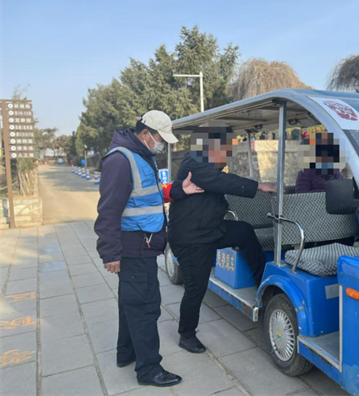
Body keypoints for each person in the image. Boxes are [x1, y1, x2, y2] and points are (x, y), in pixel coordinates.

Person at [94, 110, 203, 387]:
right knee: (145, 307)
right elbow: (108, 210)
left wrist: (179, 191)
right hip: (133, 248)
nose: (163, 144)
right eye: (160, 138)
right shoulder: (121, 160)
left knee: (130, 303)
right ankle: (149, 370)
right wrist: (110, 253)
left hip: (142, 246)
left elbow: (148, 196)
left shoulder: (142, 156)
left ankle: (126, 353)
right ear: (145, 134)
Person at [168, 127, 276, 354]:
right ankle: (186, 335)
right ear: (211, 148)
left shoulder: (206, 165)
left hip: (210, 230)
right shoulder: (194, 165)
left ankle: (263, 285)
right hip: (191, 239)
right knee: (196, 287)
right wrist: (259, 186)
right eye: (226, 151)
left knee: (244, 232)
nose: (228, 157)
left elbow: (220, 181)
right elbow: (222, 181)